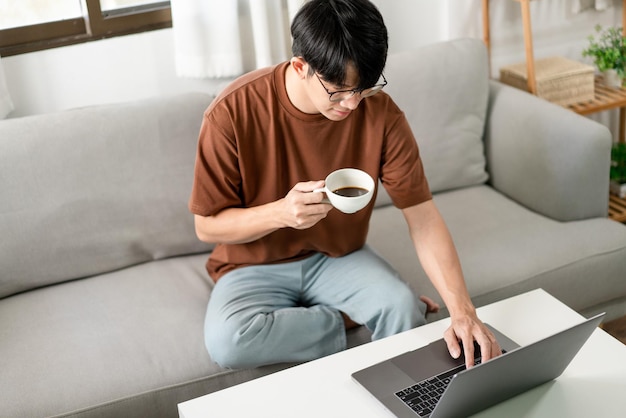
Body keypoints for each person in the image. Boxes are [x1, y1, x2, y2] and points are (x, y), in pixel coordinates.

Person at [188, 0, 501, 370]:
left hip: (338, 257)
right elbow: (206, 226)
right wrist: (281, 213)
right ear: (301, 67)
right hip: (251, 265)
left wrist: (462, 311)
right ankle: (347, 319)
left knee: (400, 308)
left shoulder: (381, 113)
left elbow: (422, 215)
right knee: (229, 342)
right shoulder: (231, 112)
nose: (352, 105)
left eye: (364, 88)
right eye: (339, 90)